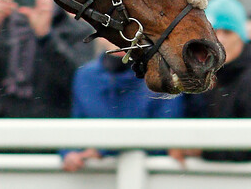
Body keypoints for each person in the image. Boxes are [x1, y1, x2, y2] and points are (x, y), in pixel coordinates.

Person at [0, 0, 94, 118]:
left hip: (55, 120)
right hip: (3, 119)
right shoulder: (2, 26)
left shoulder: (77, 30)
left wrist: (46, 37)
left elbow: (79, 80)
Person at [60, 38, 186, 172]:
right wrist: (69, 153)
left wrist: (102, 150)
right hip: (97, 178)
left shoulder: (161, 77)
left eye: (127, 30)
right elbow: (77, 127)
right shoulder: (85, 76)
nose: (119, 38)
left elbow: (164, 138)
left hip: (147, 176)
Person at [185, 0, 251, 162]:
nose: (219, 39)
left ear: (241, 37)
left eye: (228, 32)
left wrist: (203, 151)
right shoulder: (198, 79)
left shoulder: (247, 81)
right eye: (213, 31)